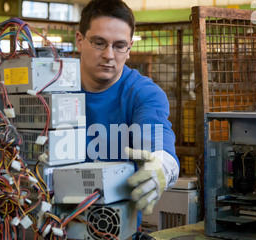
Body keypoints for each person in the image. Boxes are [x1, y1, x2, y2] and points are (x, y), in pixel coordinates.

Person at [75, 0, 180, 223]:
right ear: (79, 40)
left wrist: (161, 166)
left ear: (129, 48)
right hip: (45, 234)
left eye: (119, 45)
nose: (109, 55)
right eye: (99, 42)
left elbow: (158, 142)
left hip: (116, 234)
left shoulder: (143, 95)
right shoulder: (52, 88)